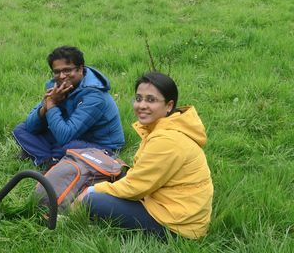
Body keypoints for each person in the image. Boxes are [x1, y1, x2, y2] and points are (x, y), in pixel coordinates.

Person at [79, 72, 214, 239]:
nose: (141, 105)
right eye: (138, 98)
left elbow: (135, 188)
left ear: (169, 106)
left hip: (177, 227)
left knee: (93, 201)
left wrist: (92, 191)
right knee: (114, 180)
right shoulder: (166, 128)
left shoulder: (167, 140)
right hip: (177, 211)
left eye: (151, 100)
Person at [13, 46, 124, 167]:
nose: (61, 76)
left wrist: (51, 105)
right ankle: (49, 160)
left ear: (80, 69)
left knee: (69, 146)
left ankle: (45, 156)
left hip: (101, 146)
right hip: (72, 135)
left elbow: (65, 136)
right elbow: (31, 127)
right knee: (21, 130)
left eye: (67, 70)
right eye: (57, 72)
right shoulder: (58, 87)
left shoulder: (95, 96)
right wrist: (45, 107)